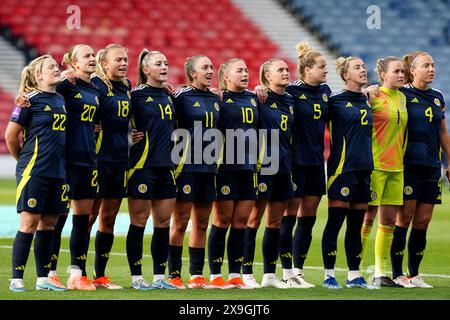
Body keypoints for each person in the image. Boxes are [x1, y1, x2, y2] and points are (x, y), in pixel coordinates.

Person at [5, 54, 69, 292]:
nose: (56, 68)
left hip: (58, 172)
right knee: (29, 222)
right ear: (38, 75)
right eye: (50, 66)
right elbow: (11, 136)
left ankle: (43, 279)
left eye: (56, 65)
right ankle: (16, 278)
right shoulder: (29, 101)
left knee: (49, 224)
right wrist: (23, 160)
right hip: (35, 170)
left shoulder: (61, 99)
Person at [389, 51, 450, 288]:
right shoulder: (401, 94)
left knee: (423, 220)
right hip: (408, 165)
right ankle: (397, 274)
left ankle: (414, 274)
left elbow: (442, 132)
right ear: (412, 71)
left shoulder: (437, 97)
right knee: (404, 218)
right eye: (426, 65)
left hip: (432, 165)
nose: (432, 69)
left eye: (433, 65)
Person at [277, 41, 330, 288]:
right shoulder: (292, 92)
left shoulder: (326, 91)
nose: (325, 70)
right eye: (321, 66)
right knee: (289, 216)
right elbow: (272, 96)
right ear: (308, 69)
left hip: (317, 163)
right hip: (295, 163)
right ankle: (285, 272)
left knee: (308, 217)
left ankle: (298, 270)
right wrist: (259, 88)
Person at [125, 49, 178, 290]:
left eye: (166, 63)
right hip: (141, 166)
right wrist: (128, 137)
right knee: (139, 220)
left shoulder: (170, 96)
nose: (164, 66)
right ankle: (136, 278)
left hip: (166, 166)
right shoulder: (134, 96)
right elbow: (115, 121)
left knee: (163, 223)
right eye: (159, 63)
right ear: (146, 70)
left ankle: (159, 277)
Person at [167, 55, 221, 289]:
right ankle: (174, 275)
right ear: (192, 73)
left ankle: (197, 275)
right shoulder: (180, 97)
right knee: (180, 222)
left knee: (202, 223)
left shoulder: (217, 97)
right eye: (205, 67)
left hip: (209, 168)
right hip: (185, 168)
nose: (210, 71)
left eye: (211, 67)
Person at [242, 58, 294, 289]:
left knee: (275, 222)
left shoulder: (291, 100)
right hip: (264, 165)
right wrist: (256, 88)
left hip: (284, 165)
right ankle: (246, 272)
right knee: (253, 220)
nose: (285, 72)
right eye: (280, 70)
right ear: (267, 76)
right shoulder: (259, 98)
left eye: (286, 68)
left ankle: (270, 275)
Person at [206, 58, 259, 289]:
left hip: (249, 168)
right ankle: (215, 275)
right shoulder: (218, 98)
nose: (245, 74)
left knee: (241, 222)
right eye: (240, 71)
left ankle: (235, 274)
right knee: (222, 220)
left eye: (247, 70)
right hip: (225, 168)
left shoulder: (255, 98)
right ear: (226, 76)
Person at [321, 56, 373, 289]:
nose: (363, 70)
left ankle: (354, 275)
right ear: (345, 75)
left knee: (356, 225)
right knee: (335, 222)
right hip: (342, 169)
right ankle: (329, 275)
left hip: (364, 169)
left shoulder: (367, 99)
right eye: (357, 67)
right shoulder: (334, 101)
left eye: (363, 66)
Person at [360, 57, 409, 288]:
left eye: (403, 71)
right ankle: (355, 270)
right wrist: (366, 90)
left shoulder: (402, 97)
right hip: (376, 166)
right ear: (383, 75)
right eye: (396, 71)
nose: (401, 75)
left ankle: (380, 273)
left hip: (397, 168)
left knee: (388, 220)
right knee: (366, 217)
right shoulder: (372, 96)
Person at [90, 44, 131, 288]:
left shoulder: (126, 87)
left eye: (126, 59)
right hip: (97, 159)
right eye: (119, 59)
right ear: (104, 64)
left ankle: (100, 275)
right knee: (89, 216)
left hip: (120, 159)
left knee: (109, 218)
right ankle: (79, 273)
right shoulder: (94, 84)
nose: (124, 63)